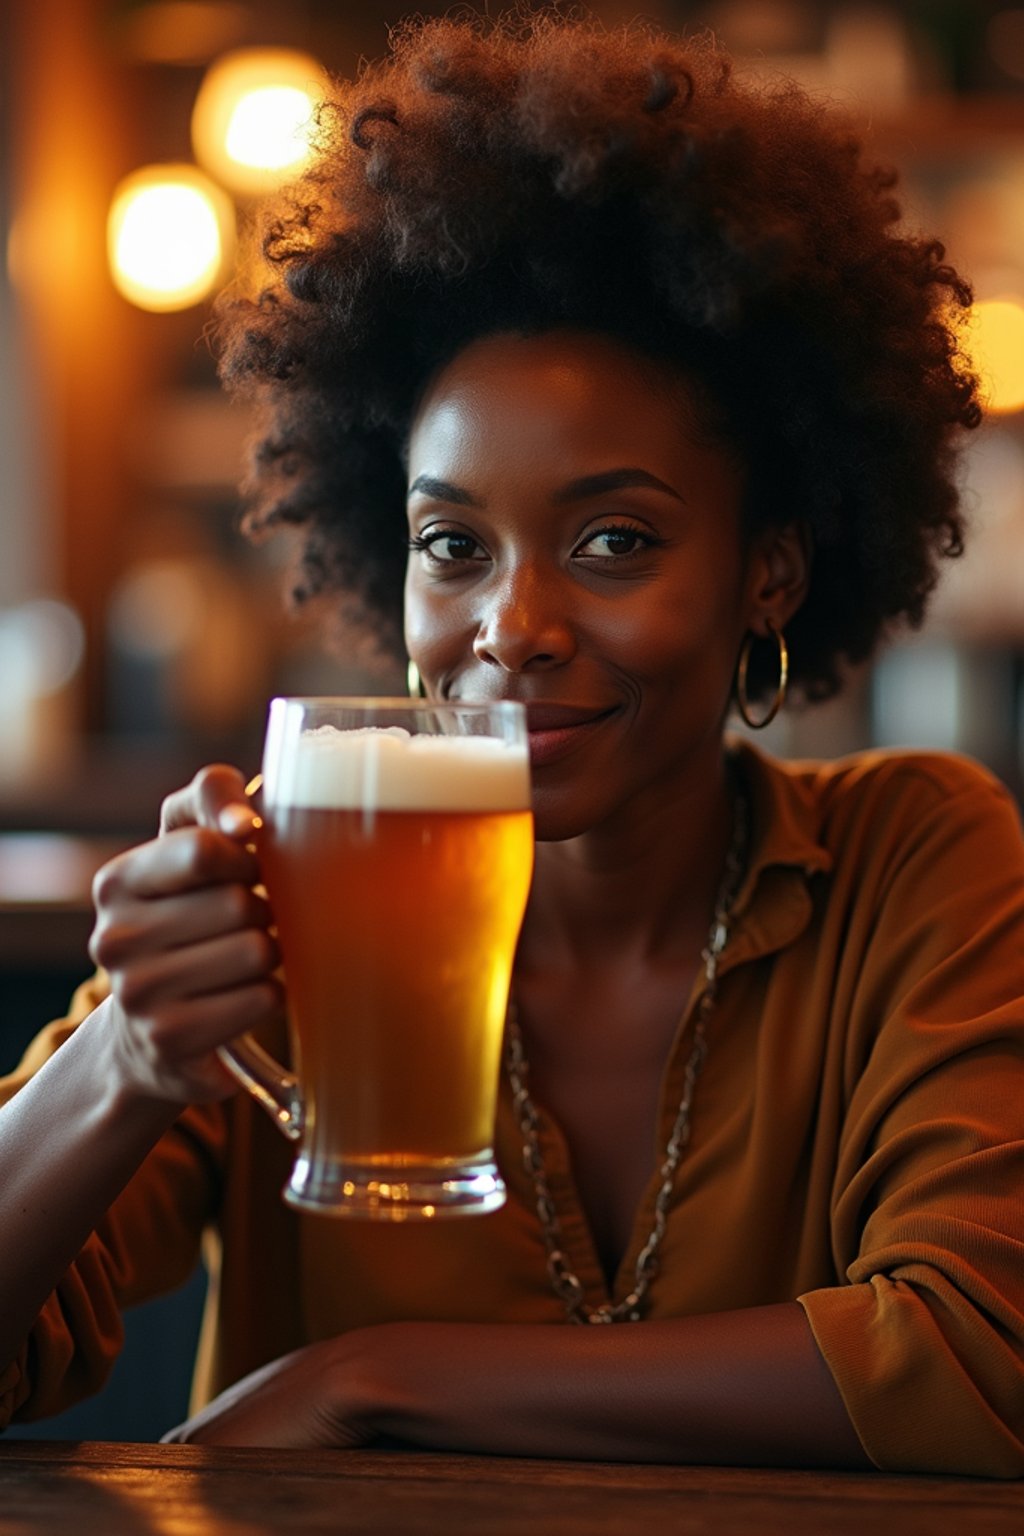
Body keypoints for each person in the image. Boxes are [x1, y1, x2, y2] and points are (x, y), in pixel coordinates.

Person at [2, 10, 1023, 1475]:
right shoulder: (299, 889)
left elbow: (985, 1351)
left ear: (771, 571)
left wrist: (376, 1380)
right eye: (452, 544)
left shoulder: (910, 857)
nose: (514, 626)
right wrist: (126, 1056)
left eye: (615, 540)